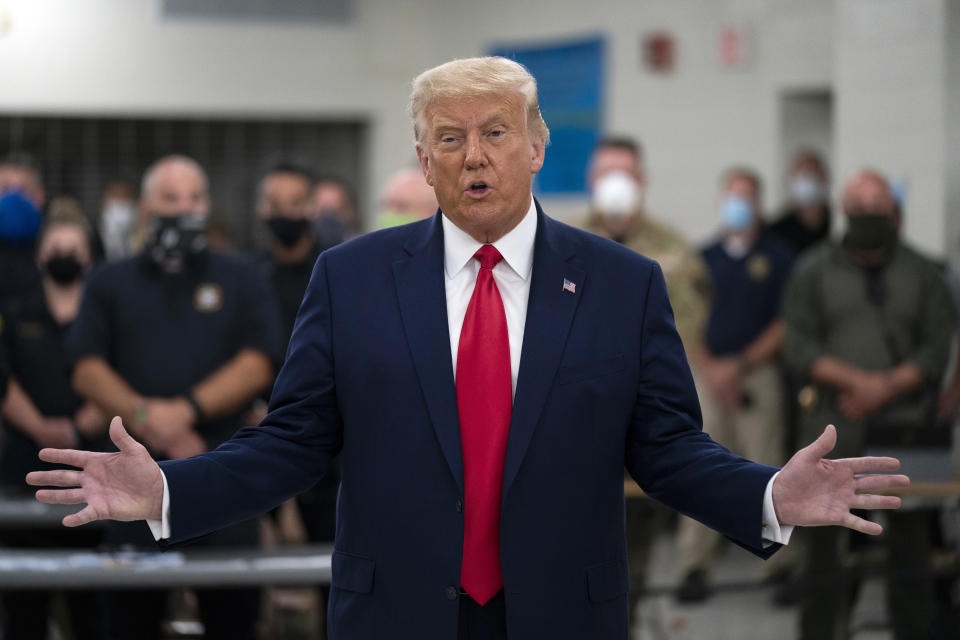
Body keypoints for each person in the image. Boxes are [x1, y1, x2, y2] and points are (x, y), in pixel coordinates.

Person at [29, 58, 909, 640]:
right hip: (395, 615)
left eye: (494, 133)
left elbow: (668, 450)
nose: (474, 156)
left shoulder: (621, 282)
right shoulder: (353, 278)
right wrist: (169, 491)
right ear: (424, 155)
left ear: (536, 147)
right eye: (449, 139)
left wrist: (767, 496)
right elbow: (292, 445)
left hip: (562, 614)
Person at [61, 154, 284, 640]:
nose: (185, 208)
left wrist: (185, 410)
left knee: (233, 620)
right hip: (129, 489)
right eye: (171, 198)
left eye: (195, 198)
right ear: (146, 207)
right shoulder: (109, 280)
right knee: (127, 622)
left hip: (224, 479)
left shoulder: (242, 276)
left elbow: (258, 361)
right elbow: (86, 368)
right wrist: (149, 419)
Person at [782, 169, 956, 639]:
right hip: (832, 429)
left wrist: (887, 386)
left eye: (879, 206)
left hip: (909, 425)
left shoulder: (924, 272)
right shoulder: (813, 269)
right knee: (821, 550)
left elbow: (938, 344)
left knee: (911, 550)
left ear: (893, 210)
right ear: (845, 210)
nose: (870, 216)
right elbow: (798, 344)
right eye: (861, 207)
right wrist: (860, 382)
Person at [579, 136, 710, 617]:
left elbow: (687, 334)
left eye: (626, 174)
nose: (615, 184)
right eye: (606, 172)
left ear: (643, 182)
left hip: (641, 429)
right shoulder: (558, 242)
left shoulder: (673, 252)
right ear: (591, 181)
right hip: (572, 429)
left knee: (628, 568)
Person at [674, 167, 795, 603]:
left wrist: (739, 366)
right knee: (700, 466)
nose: (737, 206)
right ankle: (694, 564)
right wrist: (713, 368)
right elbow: (685, 318)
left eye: (746, 198)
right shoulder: (702, 258)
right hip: (706, 372)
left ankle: (778, 567)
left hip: (757, 374)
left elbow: (785, 324)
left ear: (759, 204)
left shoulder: (778, 258)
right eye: (731, 197)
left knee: (768, 467)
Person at [0, 202, 108, 640]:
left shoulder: (104, 314)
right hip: (24, 471)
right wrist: (43, 430)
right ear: (40, 255)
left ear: (90, 257)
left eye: (74, 247)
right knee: (25, 612)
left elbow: (120, 376)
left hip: (96, 474)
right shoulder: (15, 310)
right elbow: (3, 380)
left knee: (93, 612)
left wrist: (80, 427)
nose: (65, 254)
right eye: (56, 246)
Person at [255, 158, 340, 548]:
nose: (284, 213)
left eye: (295, 202)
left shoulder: (338, 268)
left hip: (331, 446)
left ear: (312, 206)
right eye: (275, 203)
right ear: (260, 209)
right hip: (257, 435)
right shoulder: (247, 276)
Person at [0, 153, 45, 308]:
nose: (14, 197)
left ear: (40, 196)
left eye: (23, 189)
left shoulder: (59, 253)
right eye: (5, 188)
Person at [768, 149, 832, 256]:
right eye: (802, 175)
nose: (806, 180)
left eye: (811, 174)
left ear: (823, 179)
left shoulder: (835, 222)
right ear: (791, 179)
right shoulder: (777, 231)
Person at [311, 176, 355, 242]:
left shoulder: (360, 248)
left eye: (336, 211)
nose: (328, 217)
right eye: (322, 210)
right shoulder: (296, 250)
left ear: (351, 212)